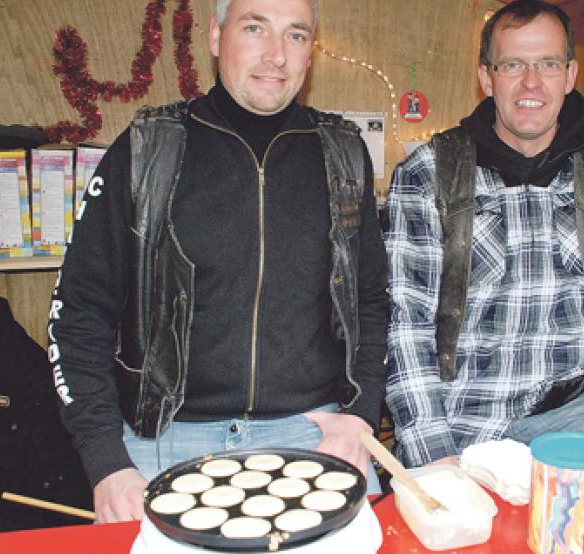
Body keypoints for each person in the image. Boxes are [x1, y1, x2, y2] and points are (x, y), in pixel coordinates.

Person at [48, 0, 388, 522]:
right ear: (214, 36)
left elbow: (370, 300)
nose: (276, 55)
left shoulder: (344, 153)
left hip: (315, 433)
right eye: (255, 28)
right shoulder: (146, 150)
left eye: (295, 36)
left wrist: (361, 414)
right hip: (164, 440)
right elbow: (77, 314)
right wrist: (106, 461)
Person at [384, 0, 584, 468]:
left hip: (582, 407)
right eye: (513, 64)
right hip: (463, 418)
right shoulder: (427, 174)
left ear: (570, 74)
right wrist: (435, 457)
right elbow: (404, 326)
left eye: (548, 64)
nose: (531, 83)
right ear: (487, 77)